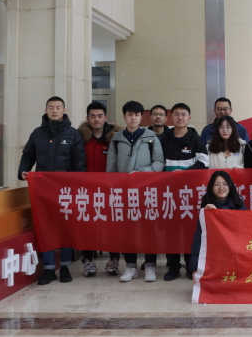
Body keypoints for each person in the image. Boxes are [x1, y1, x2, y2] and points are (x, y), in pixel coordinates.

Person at [18, 96, 86, 285]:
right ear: (46, 110)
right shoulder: (37, 133)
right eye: (51, 107)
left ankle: (65, 267)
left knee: (65, 227)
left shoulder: (73, 134)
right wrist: (23, 171)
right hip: (43, 189)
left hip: (66, 191)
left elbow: (79, 164)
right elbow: (28, 155)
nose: (54, 110)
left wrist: (77, 188)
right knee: (45, 227)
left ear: (64, 110)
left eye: (58, 107)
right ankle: (48, 269)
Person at [106, 100, 165, 283]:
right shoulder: (117, 139)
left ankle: (150, 265)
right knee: (127, 229)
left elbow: (159, 162)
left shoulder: (151, 137)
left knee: (148, 227)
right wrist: (113, 188)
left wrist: (141, 173)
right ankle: (130, 266)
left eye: (137, 115)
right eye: (130, 114)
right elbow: (111, 167)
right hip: (125, 191)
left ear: (141, 117)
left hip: (147, 190)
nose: (133, 118)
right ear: (124, 116)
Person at [158, 102, 208, 281]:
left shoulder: (196, 139)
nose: (180, 117)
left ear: (189, 118)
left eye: (183, 114)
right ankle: (173, 266)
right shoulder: (163, 139)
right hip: (168, 193)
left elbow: (204, 163)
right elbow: (157, 163)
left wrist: (185, 173)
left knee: (189, 229)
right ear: (171, 118)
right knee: (171, 230)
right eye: (177, 114)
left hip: (190, 193)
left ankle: (189, 265)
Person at [77, 101, 123, 277]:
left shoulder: (115, 138)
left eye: (99, 116)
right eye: (92, 116)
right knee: (87, 227)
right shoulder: (80, 138)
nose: (96, 119)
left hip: (110, 190)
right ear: (87, 118)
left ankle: (114, 260)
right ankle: (88, 261)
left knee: (112, 226)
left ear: (105, 117)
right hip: (86, 191)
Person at [188, 171, 246, 277]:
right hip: (215, 256)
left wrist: (218, 212)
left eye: (225, 184)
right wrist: (195, 268)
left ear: (230, 186)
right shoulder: (206, 207)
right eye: (217, 184)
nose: (221, 188)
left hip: (234, 254)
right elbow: (199, 238)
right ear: (211, 187)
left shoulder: (238, 204)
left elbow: (242, 228)